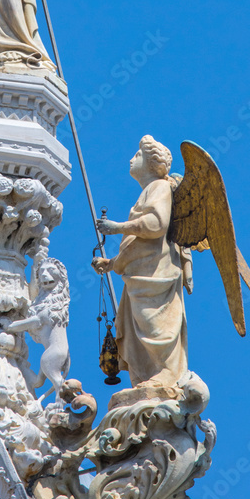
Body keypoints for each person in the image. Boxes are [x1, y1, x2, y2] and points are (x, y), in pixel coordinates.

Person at [92, 137, 188, 388]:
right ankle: (146, 377)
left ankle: (165, 373)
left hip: (155, 276)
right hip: (140, 275)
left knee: (154, 327)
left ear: (151, 163)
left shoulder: (159, 187)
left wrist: (116, 227)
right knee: (139, 332)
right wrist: (111, 264)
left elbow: (156, 225)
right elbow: (137, 245)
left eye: (137, 155)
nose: (130, 159)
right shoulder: (149, 191)